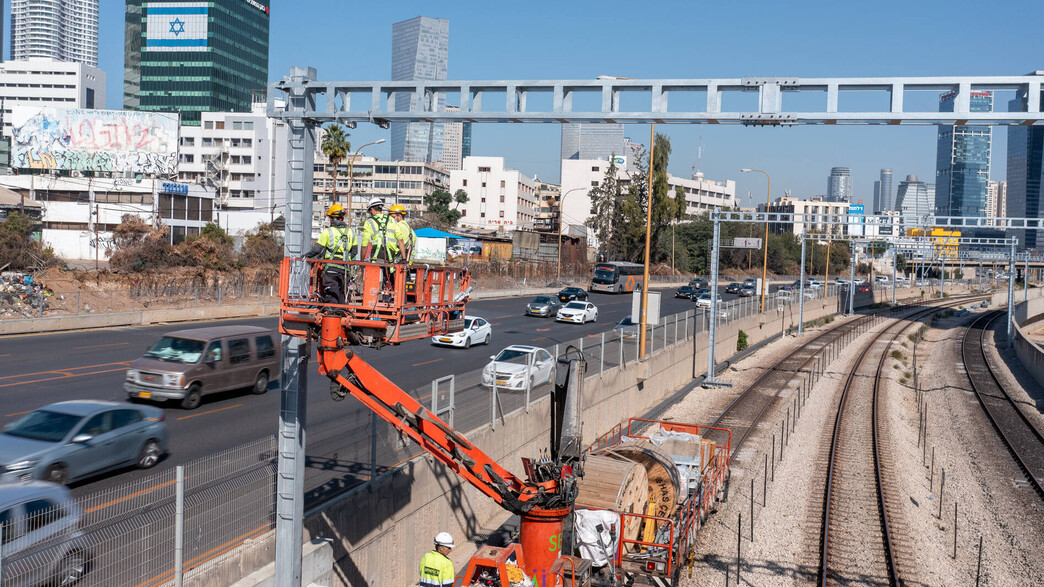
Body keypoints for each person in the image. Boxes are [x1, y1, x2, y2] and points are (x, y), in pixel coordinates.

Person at [304, 204, 358, 304]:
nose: (330, 220)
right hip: (344, 270)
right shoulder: (351, 232)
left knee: (332, 294)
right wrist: (346, 260)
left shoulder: (327, 232)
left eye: (330, 218)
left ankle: (332, 314)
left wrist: (306, 256)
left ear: (333, 218)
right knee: (342, 295)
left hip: (331, 269)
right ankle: (341, 314)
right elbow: (355, 252)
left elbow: (317, 249)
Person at [360, 197, 399, 263]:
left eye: (370, 211)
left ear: (372, 209)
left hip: (377, 256)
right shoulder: (391, 219)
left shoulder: (369, 221)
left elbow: (364, 244)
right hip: (391, 257)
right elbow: (400, 239)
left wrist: (362, 260)